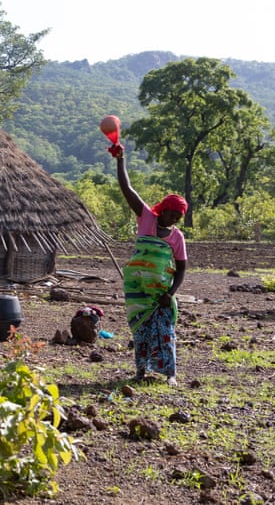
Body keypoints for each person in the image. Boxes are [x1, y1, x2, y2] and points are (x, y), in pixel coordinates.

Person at [111, 142, 187, 386]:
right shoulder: (146, 219)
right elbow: (128, 189)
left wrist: (171, 293)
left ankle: (170, 374)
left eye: (177, 217)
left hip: (161, 295)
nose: (173, 219)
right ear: (162, 210)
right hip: (138, 293)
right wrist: (120, 160)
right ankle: (141, 371)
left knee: (165, 333)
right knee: (141, 331)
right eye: (171, 214)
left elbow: (182, 267)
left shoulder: (177, 237)